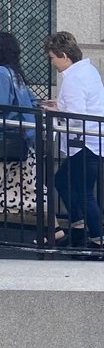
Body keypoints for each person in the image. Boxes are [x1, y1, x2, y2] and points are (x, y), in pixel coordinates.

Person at [42, 31, 104, 248]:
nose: (51, 62)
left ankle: (94, 237)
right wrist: (60, 105)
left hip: (84, 143)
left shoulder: (73, 79)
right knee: (70, 185)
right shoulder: (88, 71)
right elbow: (82, 107)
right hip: (94, 140)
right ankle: (84, 230)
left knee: (77, 189)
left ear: (63, 55)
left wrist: (56, 111)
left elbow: (77, 117)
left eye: (52, 57)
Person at [0, 31, 38, 218]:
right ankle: (53, 228)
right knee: (30, 189)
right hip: (22, 138)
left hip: (6, 136)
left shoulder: (1, 73)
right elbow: (32, 101)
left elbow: (1, 105)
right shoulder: (15, 74)